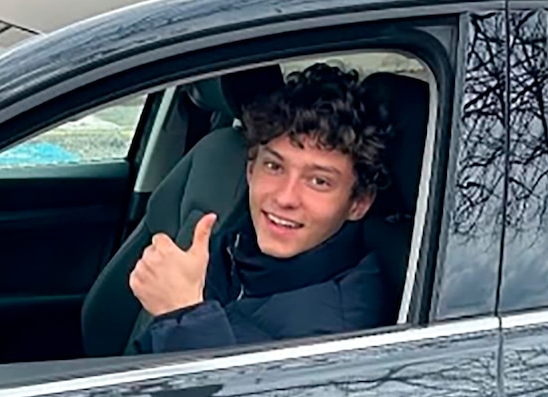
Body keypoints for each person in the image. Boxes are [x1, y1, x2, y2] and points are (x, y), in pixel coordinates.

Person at [129, 63, 394, 354]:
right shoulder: (235, 243)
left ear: (358, 203)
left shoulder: (336, 336)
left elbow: (231, 386)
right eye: (274, 166)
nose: (285, 197)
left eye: (319, 181)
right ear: (250, 170)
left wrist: (183, 316)